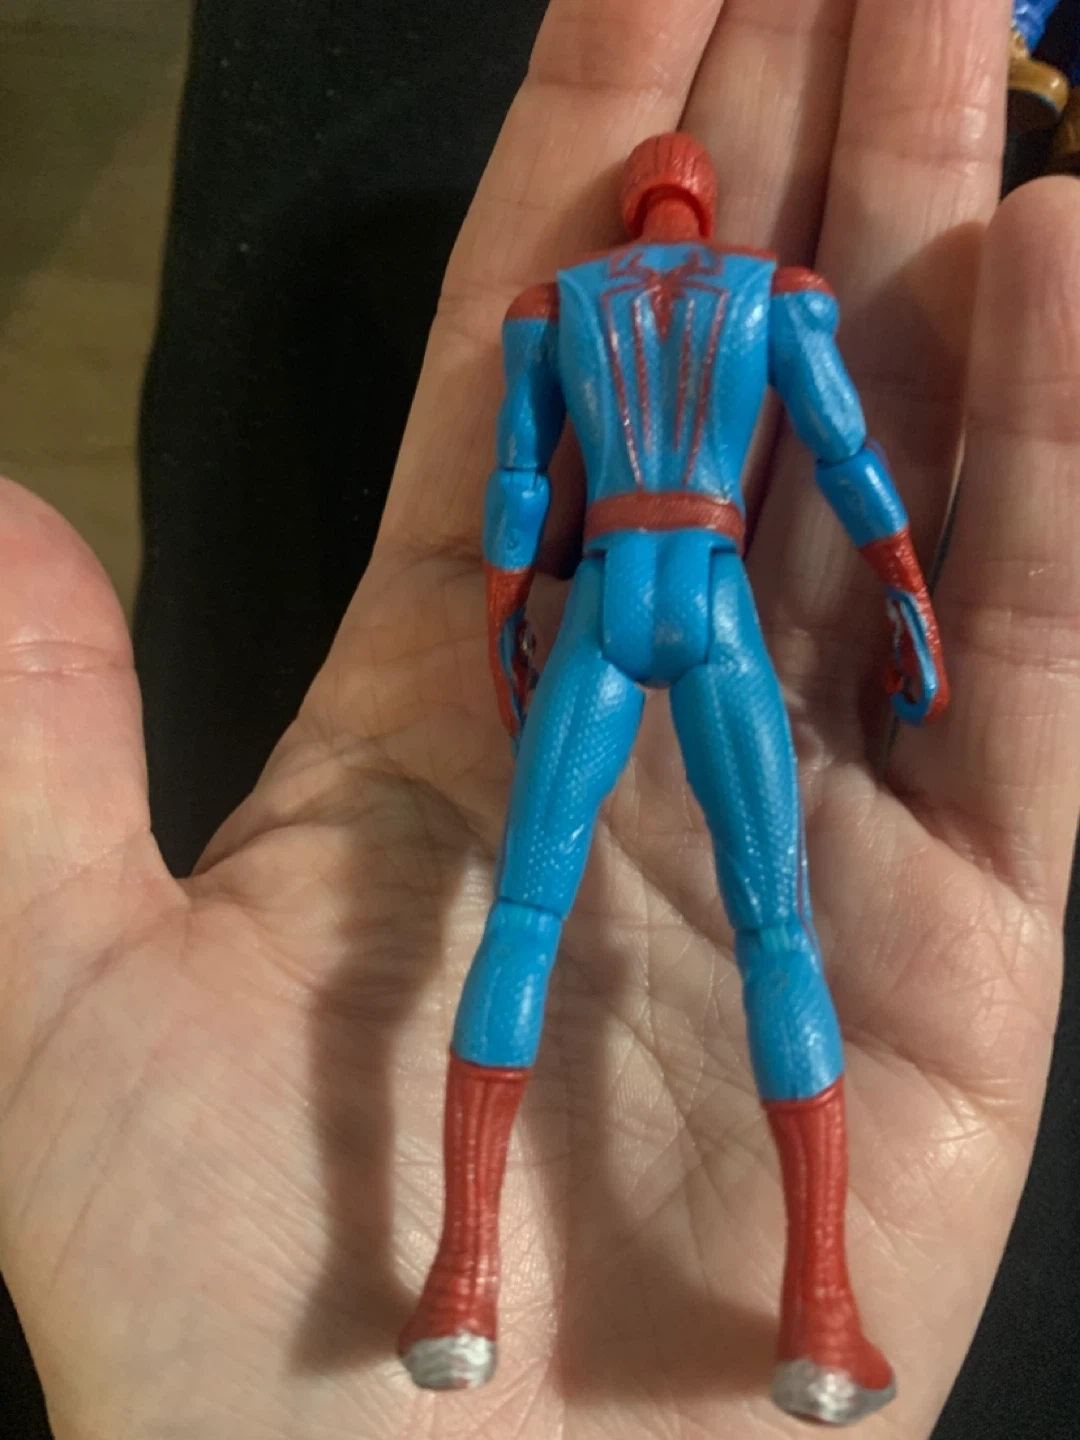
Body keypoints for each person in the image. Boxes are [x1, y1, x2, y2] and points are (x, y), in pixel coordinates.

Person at [1, 1, 1078, 1437]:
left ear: (634, 203)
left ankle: (461, 1284)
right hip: (715, 591)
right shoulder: (773, 293)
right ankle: (821, 1305)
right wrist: (907, 594)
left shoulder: (558, 306)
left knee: (519, 919)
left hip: (607, 593)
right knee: (775, 929)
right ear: (706, 202)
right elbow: (844, 455)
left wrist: (505, 617)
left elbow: (518, 488)